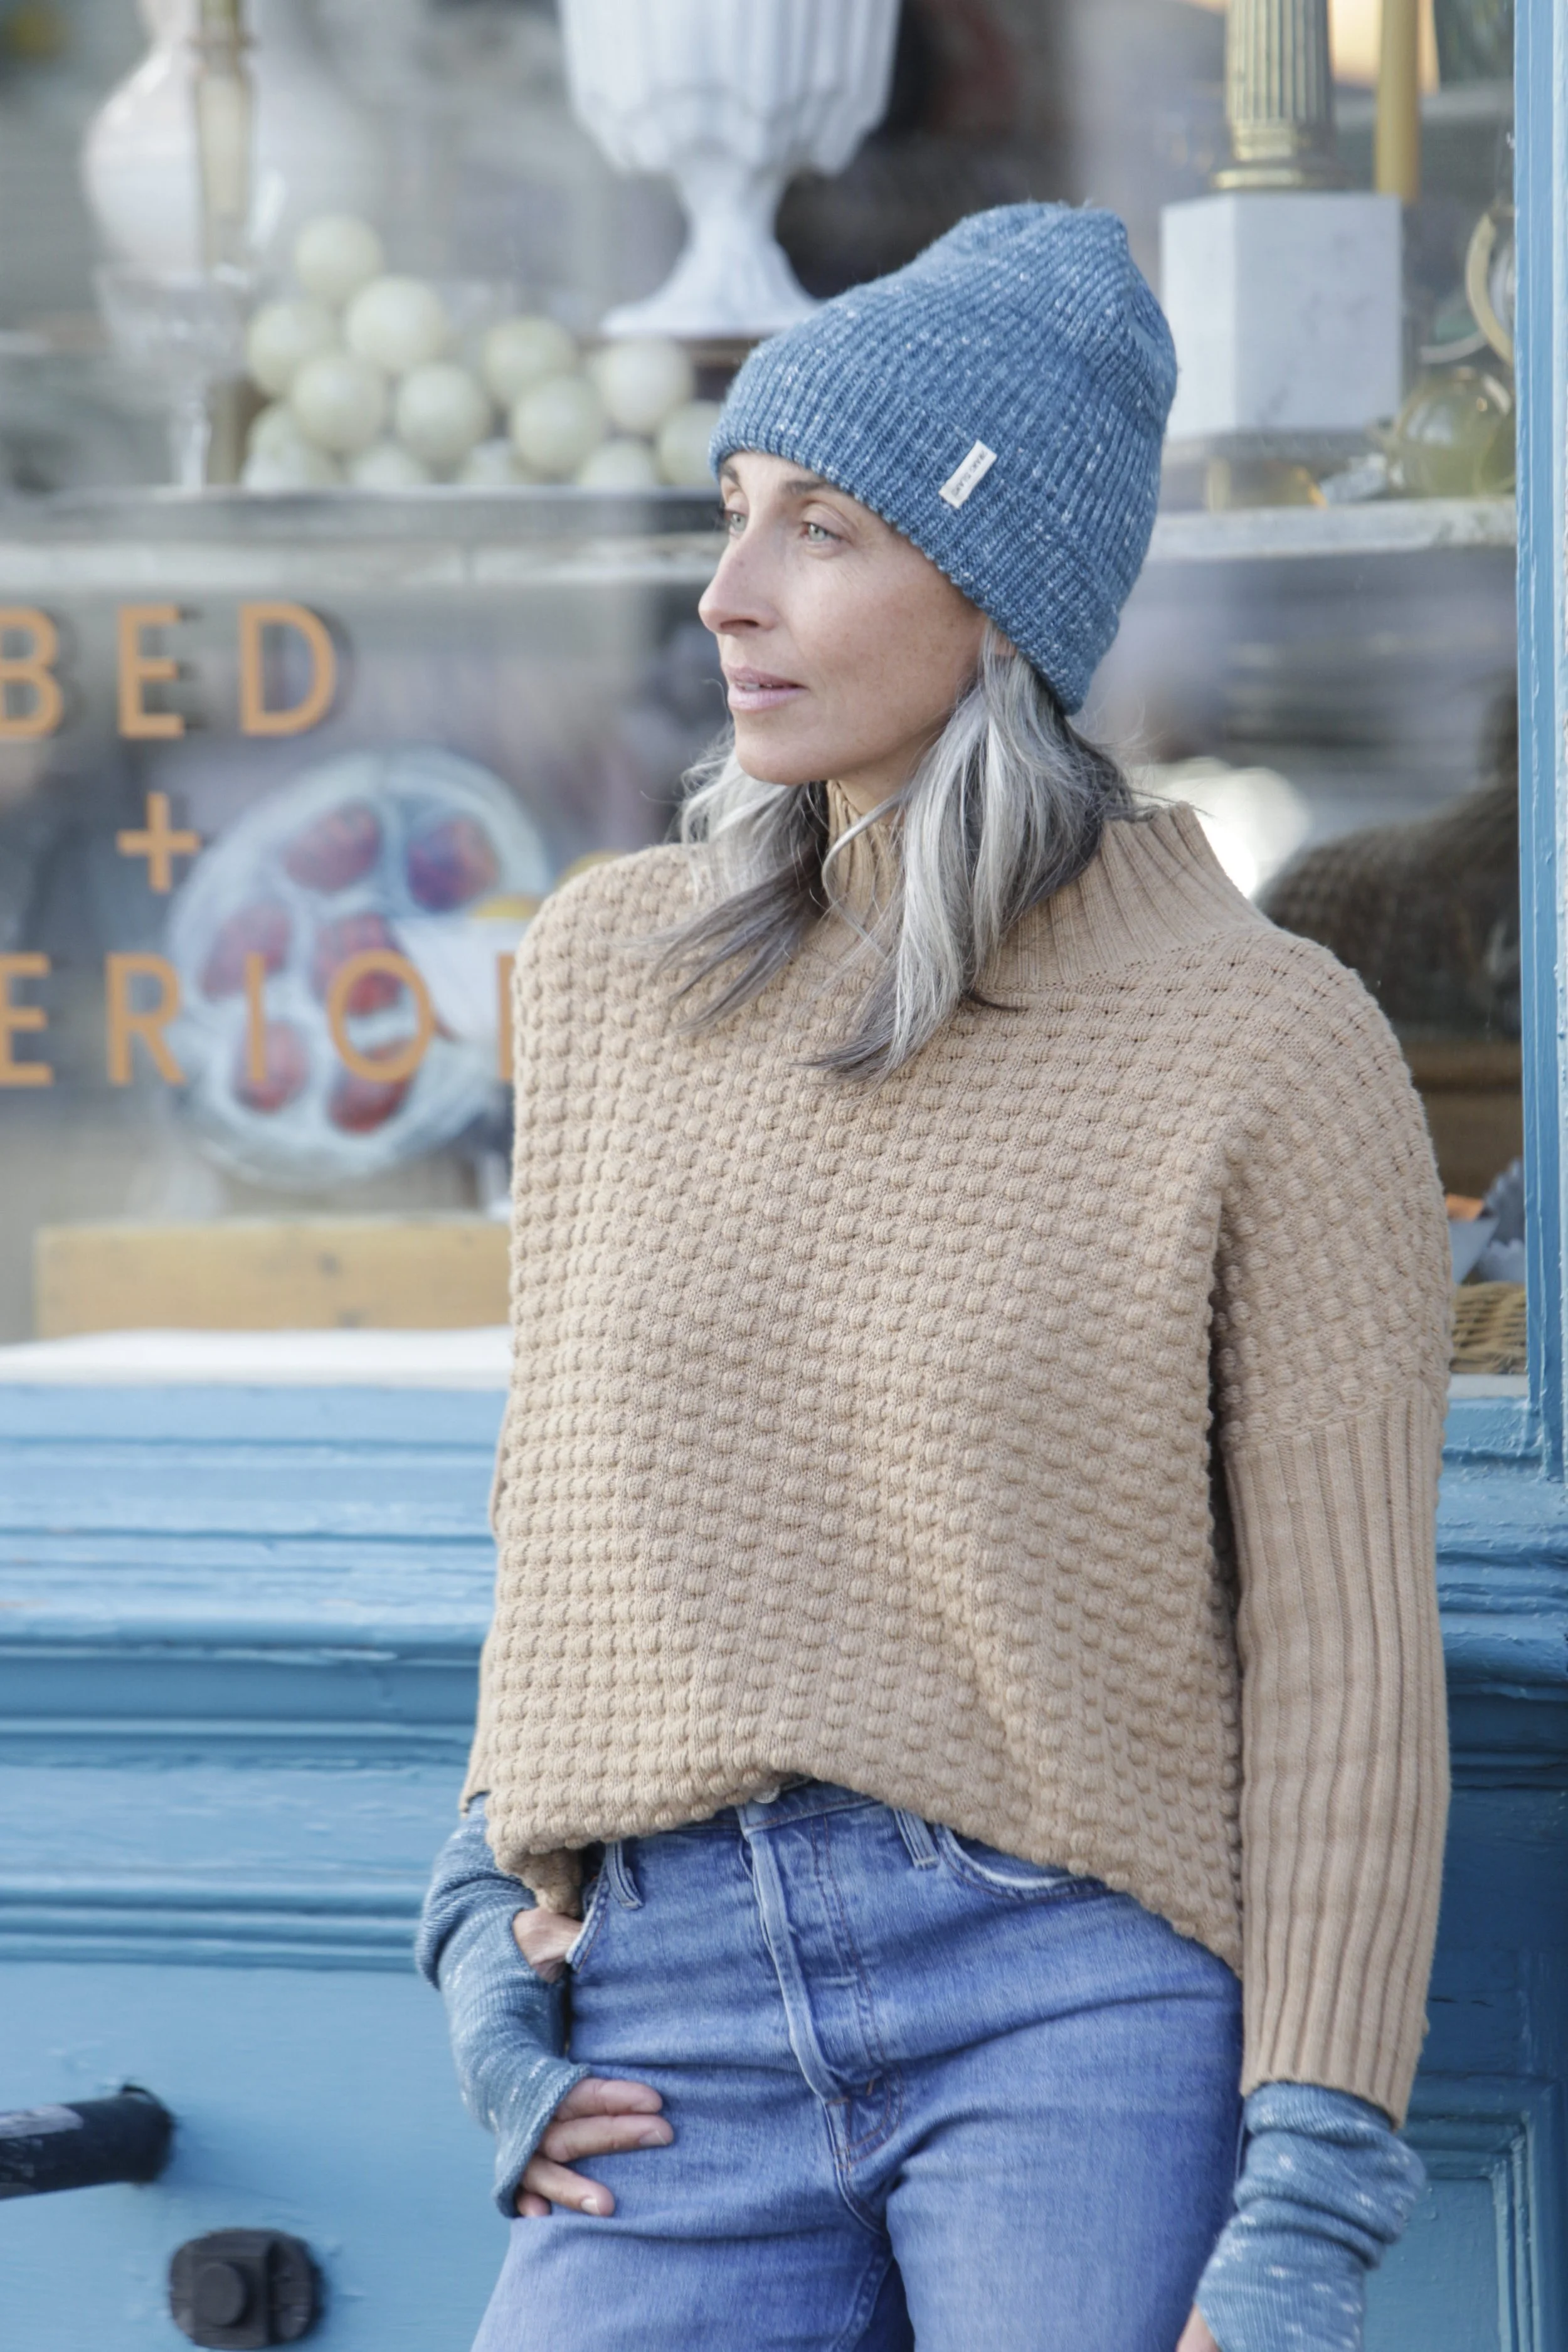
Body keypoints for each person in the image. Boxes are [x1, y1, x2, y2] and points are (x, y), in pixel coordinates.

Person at [418, 205, 1450, 2352]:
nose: (727, 594)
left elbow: (1347, 1674)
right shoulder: (613, 969)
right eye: (729, 515)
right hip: (662, 2007)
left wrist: (1307, 2205)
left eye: (821, 529)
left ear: (995, 597)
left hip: (1064, 1998)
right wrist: (468, 1905)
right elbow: (562, 1516)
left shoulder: (1264, 1042)